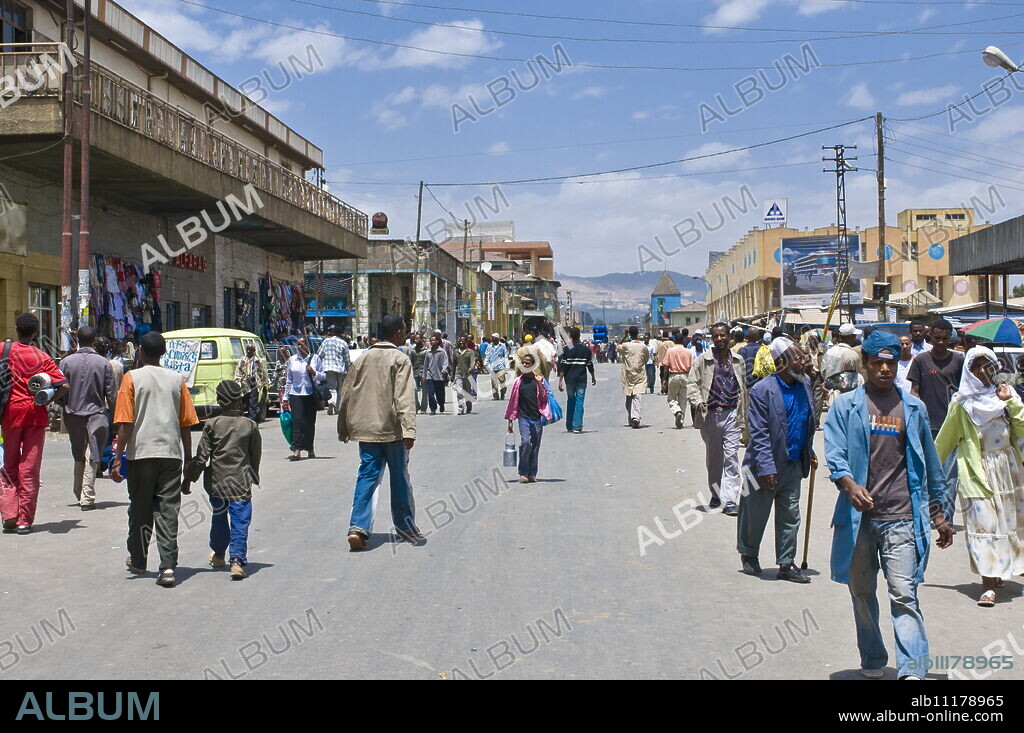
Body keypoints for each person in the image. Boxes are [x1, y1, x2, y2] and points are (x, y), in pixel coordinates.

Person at [824, 329, 952, 680]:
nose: (884, 369)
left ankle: (912, 670)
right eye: (877, 362)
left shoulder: (913, 408)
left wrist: (938, 513)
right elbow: (835, 456)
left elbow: (930, 462)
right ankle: (874, 660)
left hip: (901, 518)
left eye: (890, 363)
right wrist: (849, 485)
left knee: (904, 594)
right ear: (864, 364)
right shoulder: (844, 406)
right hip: (858, 519)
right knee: (862, 593)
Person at [935, 347, 1024, 606]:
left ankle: (1001, 569)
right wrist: (926, 471)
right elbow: (944, 442)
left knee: (1009, 525)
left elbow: (1021, 427)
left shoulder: (1006, 395)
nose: (983, 372)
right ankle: (988, 585)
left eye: (989, 367)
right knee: (982, 527)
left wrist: (1011, 402)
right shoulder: (961, 404)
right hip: (978, 473)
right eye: (977, 367)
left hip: (1009, 471)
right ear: (969, 371)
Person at [111, 331, 200, 587]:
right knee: (168, 511)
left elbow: (125, 423)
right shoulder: (177, 380)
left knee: (139, 509)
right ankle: (168, 567)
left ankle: (138, 560)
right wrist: (188, 460)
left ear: (140, 350)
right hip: (170, 455)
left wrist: (118, 458)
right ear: (163, 353)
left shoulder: (132, 378)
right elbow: (186, 425)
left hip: (141, 455)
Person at [338, 314, 419, 550]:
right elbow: (404, 397)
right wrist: (409, 430)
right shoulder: (400, 359)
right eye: (404, 330)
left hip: (366, 430)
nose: (405, 334)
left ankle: (357, 528)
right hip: (392, 430)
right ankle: (405, 525)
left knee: (367, 476)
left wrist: (343, 427)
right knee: (399, 478)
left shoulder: (362, 359)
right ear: (396, 333)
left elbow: (346, 394)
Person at [738, 339, 816, 583]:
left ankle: (786, 562)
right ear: (780, 362)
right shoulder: (763, 390)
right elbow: (759, 433)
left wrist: (808, 448)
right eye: (796, 357)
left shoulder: (805, 384)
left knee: (790, 515)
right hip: (763, 464)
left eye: (802, 356)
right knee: (755, 513)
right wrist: (767, 467)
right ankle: (749, 554)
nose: (802, 361)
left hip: (793, 463)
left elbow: (806, 420)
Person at [183, 380, 260, 580]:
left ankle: (218, 555)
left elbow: (201, 458)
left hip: (217, 483)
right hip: (241, 482)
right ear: (238, 400)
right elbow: (255, 455)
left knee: (219, 519)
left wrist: (188, 480)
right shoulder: (250, 425)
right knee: (240, 521)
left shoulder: (211, 425)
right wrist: (254, 475)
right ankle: (237, 560)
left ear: (219, 401)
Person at [0, 313, 68, 534]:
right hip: (35, 416)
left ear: (17, 329)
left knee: (9, 464)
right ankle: (24, 521)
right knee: (29, 468)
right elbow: (64, 386)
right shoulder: (42, 356)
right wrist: (46, 399)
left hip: (10, 414)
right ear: (36, 332)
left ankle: (9, 513)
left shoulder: (3, 350)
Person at [907, 318, 964, 521]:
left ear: (950, 339)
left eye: (944, 339)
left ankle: (945, 518)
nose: (940, 342)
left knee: (949, 476)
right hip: (926, 427)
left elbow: (964, 393)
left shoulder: (958, 360)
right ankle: (925, 514)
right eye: (937, 338)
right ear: (931, 337)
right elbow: (914, 391)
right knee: (924, 474)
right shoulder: (921, 360)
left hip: (951, 427)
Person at [688, 322, 748, 513]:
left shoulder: (738, 361)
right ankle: (716, 494)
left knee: (731, 457)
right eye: (716, 336)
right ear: (711, 338)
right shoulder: (703, 361)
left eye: (723, 335)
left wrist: (745, 416)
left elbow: (743, 390)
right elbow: (692, 384)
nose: (719, 339)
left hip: (732, 414)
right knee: (714, 459)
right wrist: (698, 401)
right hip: (711, 415)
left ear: (729, 337)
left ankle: (730, 500)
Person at [60, 326, 115, 511]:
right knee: (93, 454)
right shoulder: (104, 363)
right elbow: (111, 395)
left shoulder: (65, 363)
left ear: (77, 340)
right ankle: (87, 496)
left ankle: (78, 491)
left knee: (78, 452)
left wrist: (64, 406)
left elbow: (60, 390)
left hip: (72, 413)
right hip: (96, 413)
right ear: (93, 341)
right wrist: (116, 417)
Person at [506, 351, 551, 483]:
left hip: (537, 418)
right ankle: (523, 472)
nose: (525, 365)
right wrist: (510, 420)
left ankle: (532, 472)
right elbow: (512, 402)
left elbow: (544, 398)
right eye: (523, 363)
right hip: (523, 418)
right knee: (526, 443)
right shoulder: (518, 382)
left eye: (528, 363)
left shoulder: (539, 380)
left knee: (535, 446)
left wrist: (538, 383)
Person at [282, 336, 325, 461]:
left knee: (309, 422)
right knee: (297, 421)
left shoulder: (315, 359)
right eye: (298, 344)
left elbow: (323, 376)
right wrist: (285, 398)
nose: (300, 347)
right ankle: (297, 450)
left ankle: (310, 449)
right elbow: (289, 380)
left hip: (310, 394)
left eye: (302, 344)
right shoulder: (292, 360)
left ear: (307, 345)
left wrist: (314, 372)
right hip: (296, 394)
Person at [558, 326, 596, 434]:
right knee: (579, 401)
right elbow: (589, 365)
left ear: (570, 336)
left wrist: (560, 381)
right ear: (579, 336)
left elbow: (562, 367)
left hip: (569, 379)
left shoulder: (565, 349)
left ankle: (569, 425)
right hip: (581, 379)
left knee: (571, 400)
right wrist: (593, 376)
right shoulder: (586, 350)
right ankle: (577, 426)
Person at [317, 325, 351, 416]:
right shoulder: (343, 343)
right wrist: (348, 369)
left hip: (328, 367)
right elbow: (347, 359)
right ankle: (337, 408)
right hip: (340, 368)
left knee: (332, 387)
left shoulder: (326, 341)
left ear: (333, 332)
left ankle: (332, 401)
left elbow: (319, 354)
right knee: (339, 388)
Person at [619, 326, 649, 429]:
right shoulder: (643, 347)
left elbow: (617, 346)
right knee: (635, 398)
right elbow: (646, 358)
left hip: (628, 375)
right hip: (639, 374)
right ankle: (633, 417)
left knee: (631, 398)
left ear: (630, 334)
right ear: (638, 334)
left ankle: (635, 418)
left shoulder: (626, 346)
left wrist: (625, 336)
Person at [664, 333, 695, 429]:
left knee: (671, 399)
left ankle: (677, 412)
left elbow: (666, 366)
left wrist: (664, 380)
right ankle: (681, 419)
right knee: (683, 400)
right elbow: (691, 367)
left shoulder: (670, 351)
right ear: (683, 340)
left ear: (675, 341)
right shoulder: (688, 352)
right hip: (685, 376)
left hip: (673, 376)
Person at [234, 343, 269, 422]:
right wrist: (238, 382)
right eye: (248, 350)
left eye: (251, 350)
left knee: (253, 403)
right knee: (247, 401)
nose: (249, 351)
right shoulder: (242, 360)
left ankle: (252, 421)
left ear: (254, 350)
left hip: (254, 382)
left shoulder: (257, 360)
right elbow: (238, 372)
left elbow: (262, 372)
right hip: (245, 382)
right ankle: (251, 419)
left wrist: (262, 383)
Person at [424, 334, 449, 415]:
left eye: (433, 340)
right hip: (429, 375)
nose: (432, 342)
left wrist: (444, 369)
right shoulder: (428, 352)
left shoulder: (442, 351)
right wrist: (424, 375)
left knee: (440, 394)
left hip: (439, 376)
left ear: (437, 341)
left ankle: (441, 404)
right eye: (431, 340)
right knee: (430, 393)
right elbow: (426, 364)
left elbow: (445, 361)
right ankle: (433, 409)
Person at [453, 336, 476, 415]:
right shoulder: (456, 352)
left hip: (467, 375)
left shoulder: (470, 352)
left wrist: (471, 368)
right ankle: (461, 408)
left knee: (467, 392)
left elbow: (472, 361)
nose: (461, 343)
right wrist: (452, 376)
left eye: (463, 341)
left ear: (466, 342)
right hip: (458, 375)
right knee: (459, 392)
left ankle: (469, 406)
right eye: (460, 341)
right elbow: (454, 364)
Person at [485, 333, 509, 400]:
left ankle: (502, 393)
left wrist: (507, 366)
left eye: (493, 338)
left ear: (497, 338)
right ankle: (496, 396)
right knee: (494, 383)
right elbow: (487, 355)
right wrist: (486, 363)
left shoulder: (502, 346)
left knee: (502, 383)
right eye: (492, 338)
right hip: (492, 367)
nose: (492, 339)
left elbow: (506, 356)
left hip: (501, 367)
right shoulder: (489, 346)